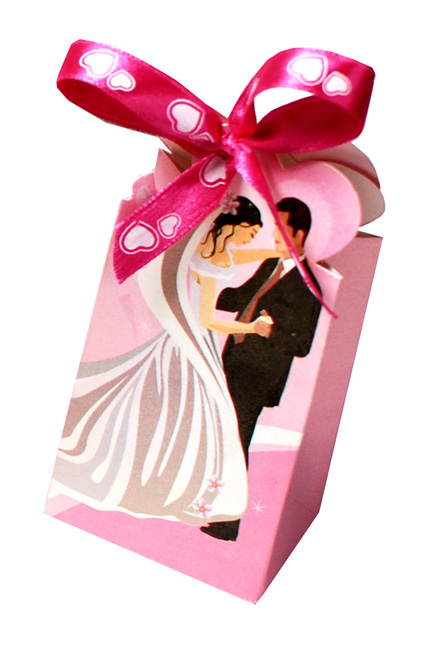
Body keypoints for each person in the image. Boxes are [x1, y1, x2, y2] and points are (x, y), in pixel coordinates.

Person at [51, 195, 277, 527]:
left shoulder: (217, 249)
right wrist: (251, 327)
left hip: (192, 340)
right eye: (250, 233)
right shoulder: (209, 258)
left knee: (181, 408)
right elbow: (208, 319)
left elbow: (244, 255)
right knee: (189, 409)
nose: (250, 240)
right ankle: (166, 483)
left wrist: (274, 251)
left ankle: (173, 480)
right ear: (236, 226)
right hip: (193, 340)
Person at [200, 197, 322, 541]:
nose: (275, 236)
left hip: (258, 374)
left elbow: (302, 344)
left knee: (238, 441)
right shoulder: (271, 264)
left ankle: (227, 524)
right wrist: (204, 283)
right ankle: (215, 509)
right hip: (234, 361)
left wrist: (272, 331)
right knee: (224, 437)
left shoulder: (309, 285)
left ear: (299, 234)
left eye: (281, 230)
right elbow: (242, 297)